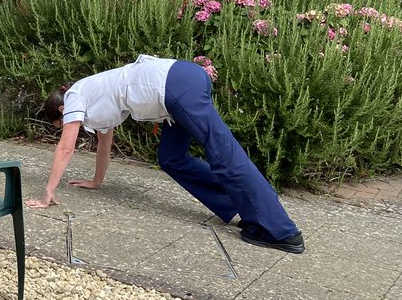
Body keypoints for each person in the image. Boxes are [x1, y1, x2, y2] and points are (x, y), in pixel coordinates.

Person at [24, 54, 304, 254]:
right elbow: (104, 144)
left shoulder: (74, 97)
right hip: (178, 86)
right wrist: (97, 182)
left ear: (61, 111)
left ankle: (282, 231)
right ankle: (245, 209)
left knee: (225, 155)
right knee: (171, 158)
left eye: (60, 125)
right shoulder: (94, 99)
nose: (71, 127)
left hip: (176, 86)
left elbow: (66, 147)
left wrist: (47, 193)